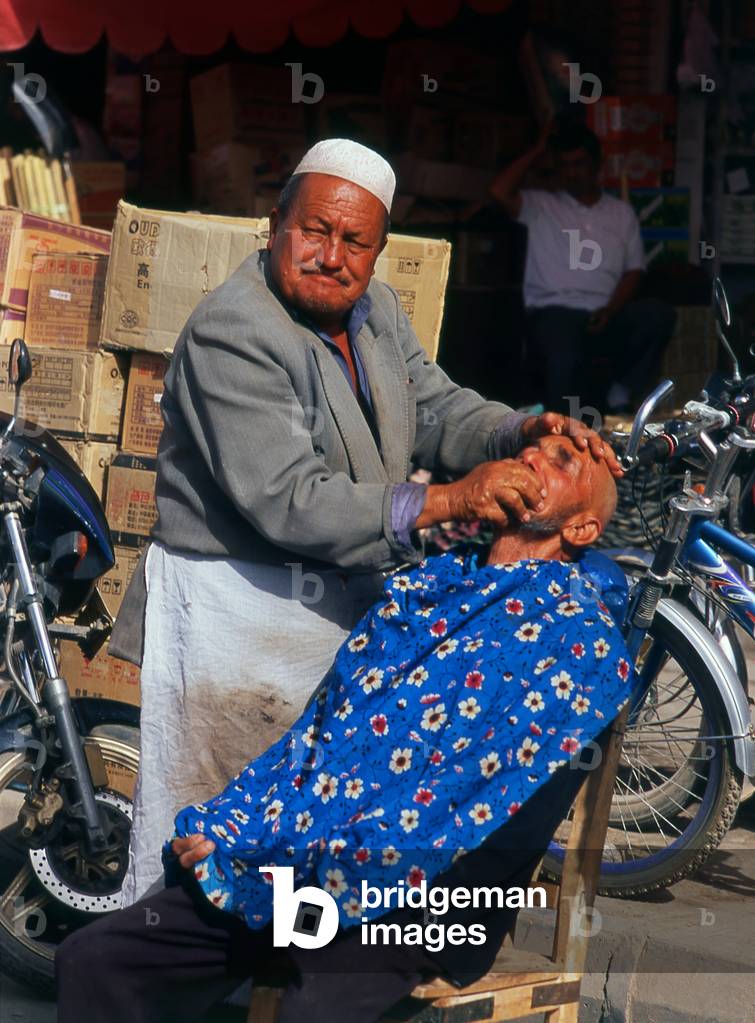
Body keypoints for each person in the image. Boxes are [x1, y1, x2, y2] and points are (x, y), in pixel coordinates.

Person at [109, 137, 622, 907]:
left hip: (332, 595)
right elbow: (290, 498)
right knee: (206, 827)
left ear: (377, 252)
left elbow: (435, 406)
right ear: (275, 226)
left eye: (355, 242)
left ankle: (276, 954)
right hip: (233, 611)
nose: (331, 256)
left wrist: (518, 429)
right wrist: (449, 501)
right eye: (314, 231)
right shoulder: (232, 331)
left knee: (297, 834)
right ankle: (156, 958)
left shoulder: (373, 310)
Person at [57, 434, 633, 1023]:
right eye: (534, 448)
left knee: (307, 1012)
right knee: (94, 961)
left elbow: (512, 822)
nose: (532, 458)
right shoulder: (427, 592)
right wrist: (237, 829)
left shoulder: (582, 647)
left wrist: (382, 886)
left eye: (562, 462)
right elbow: (316, 744)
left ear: (582, 529)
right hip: (294, 867)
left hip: (421, 902)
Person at [491, 121, 676, 415]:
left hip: (606, 311)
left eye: (579, 164)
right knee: (562, 352)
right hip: (555, 310)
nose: (572, 172)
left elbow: (634, 270)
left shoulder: (621, 212)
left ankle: (621, 393)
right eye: (564, 165)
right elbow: (499, 191)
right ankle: (559, 425)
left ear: (597, 164)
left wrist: (610, 310)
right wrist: (538, 150)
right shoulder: (541, 205)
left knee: (658, 315)